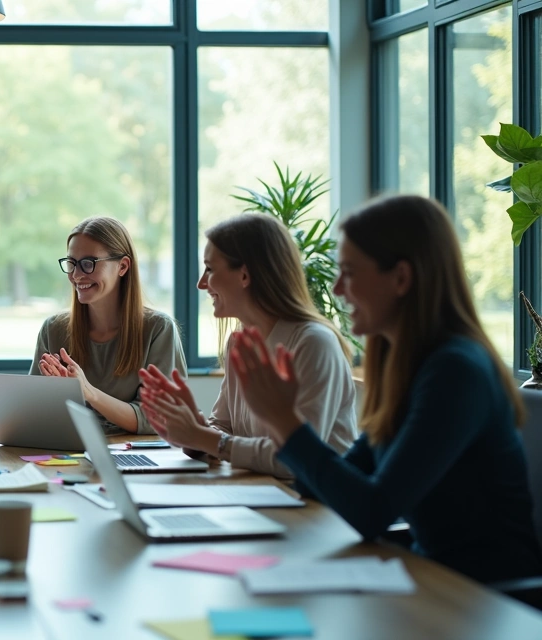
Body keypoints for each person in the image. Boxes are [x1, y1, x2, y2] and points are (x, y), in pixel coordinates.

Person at [227, 195, 542, 584]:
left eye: (349, 272)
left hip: (486, 598)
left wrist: (285, 421)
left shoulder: (456, 371)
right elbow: (323, 484)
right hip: (432, 581)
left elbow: (372, 512)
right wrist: (282, 419)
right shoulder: (408, 365)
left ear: (401, 278)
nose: (338, 289)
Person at [139, 214, 357, 478]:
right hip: (262, 496)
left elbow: (295, 459)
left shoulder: (313, 343)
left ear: (244, 275)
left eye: (209, 269)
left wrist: (203, 437)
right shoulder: (238, 343)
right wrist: (191, 429)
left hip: (315, 507)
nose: (201, 283)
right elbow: (224, 428)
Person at [30, 216, 187, 435]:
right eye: (71, 263)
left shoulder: (158, 330)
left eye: (88, 263)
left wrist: (88, 392)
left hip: (135, 455)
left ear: (123, 266)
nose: (76, 275)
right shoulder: (53, 329)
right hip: (69, 452)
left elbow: (159, 419)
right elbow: (32, 412)